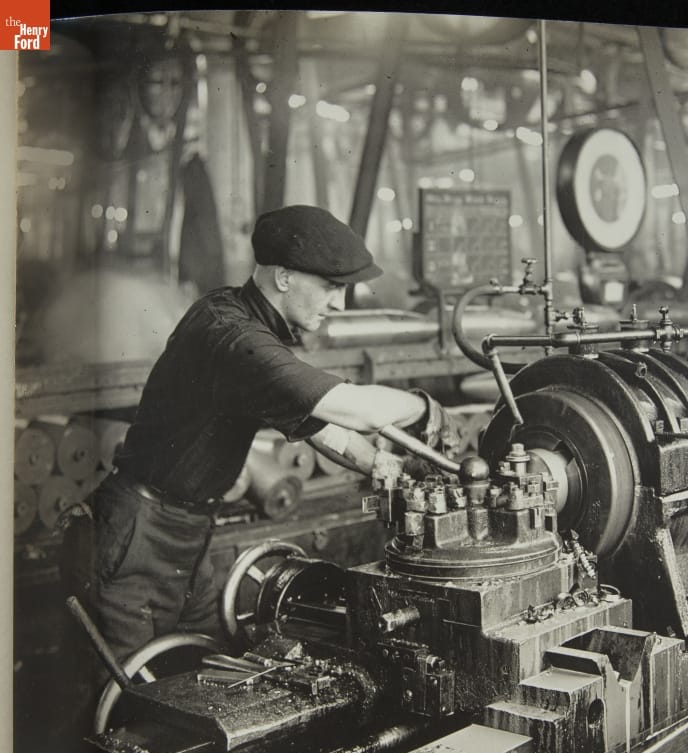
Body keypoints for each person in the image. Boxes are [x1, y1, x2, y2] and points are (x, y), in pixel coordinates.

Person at [61, 205, 457, 662]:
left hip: (188, 536)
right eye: (332, 287)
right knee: (132, 690)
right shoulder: (232, 336)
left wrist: (383, 464)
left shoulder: (247, 325)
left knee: (201, 672)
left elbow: (320, 426)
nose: (339, 305)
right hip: (136, 538)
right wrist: (424, 407)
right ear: (284, 278)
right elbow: (355, 409)